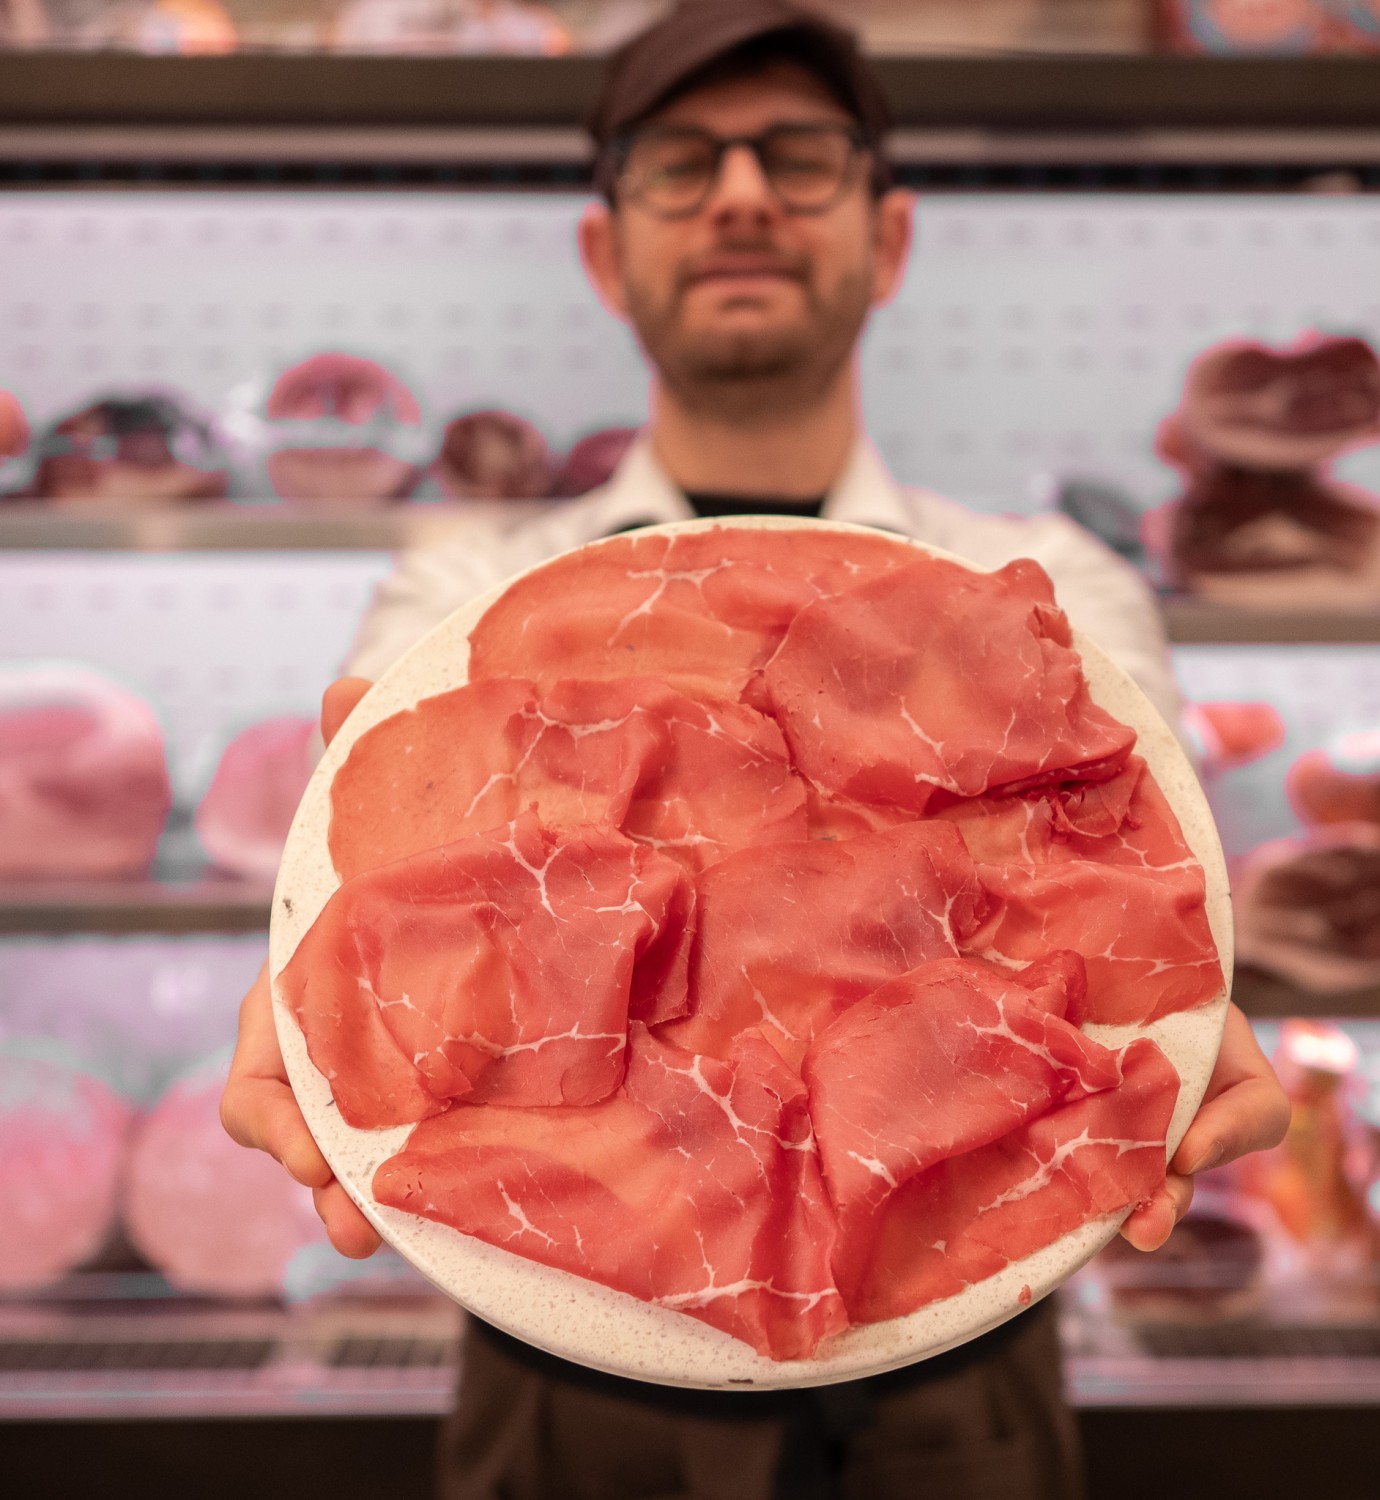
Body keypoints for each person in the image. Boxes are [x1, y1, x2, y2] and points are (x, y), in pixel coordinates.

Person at [222, 4, 1291, 1497]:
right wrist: (322, 1000)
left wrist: (1183, 1028)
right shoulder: (461, 594)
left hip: (965, 1362)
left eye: (798, 157)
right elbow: (366, 893)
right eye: (679, 163)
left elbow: (1148, 891)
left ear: (891, 236)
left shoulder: (1051, 593)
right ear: (606, 253)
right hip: (567, 1361)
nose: (739, 196)